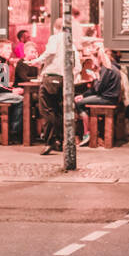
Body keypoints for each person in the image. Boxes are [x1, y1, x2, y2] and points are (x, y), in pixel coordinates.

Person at [27, 19, 74, 155]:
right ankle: (60, 140)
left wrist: (36, 61)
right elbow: (75, 61)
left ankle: (49, 142)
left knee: (46, 111)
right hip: (64, 79)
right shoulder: (70, 41)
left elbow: (50, 51)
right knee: (59, 111)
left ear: (56, 28)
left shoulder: (55, 38)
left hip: (51, 78)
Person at [75, 48, 121, 146]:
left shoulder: (106, 69)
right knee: (82, 100)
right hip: (111, 98)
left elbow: (97, 89)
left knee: (78, 103)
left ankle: (87, 133)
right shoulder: (114, 67)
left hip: (107, 99)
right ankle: (93, 132)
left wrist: (95, 77)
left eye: (94, 58)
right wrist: (83, 95)